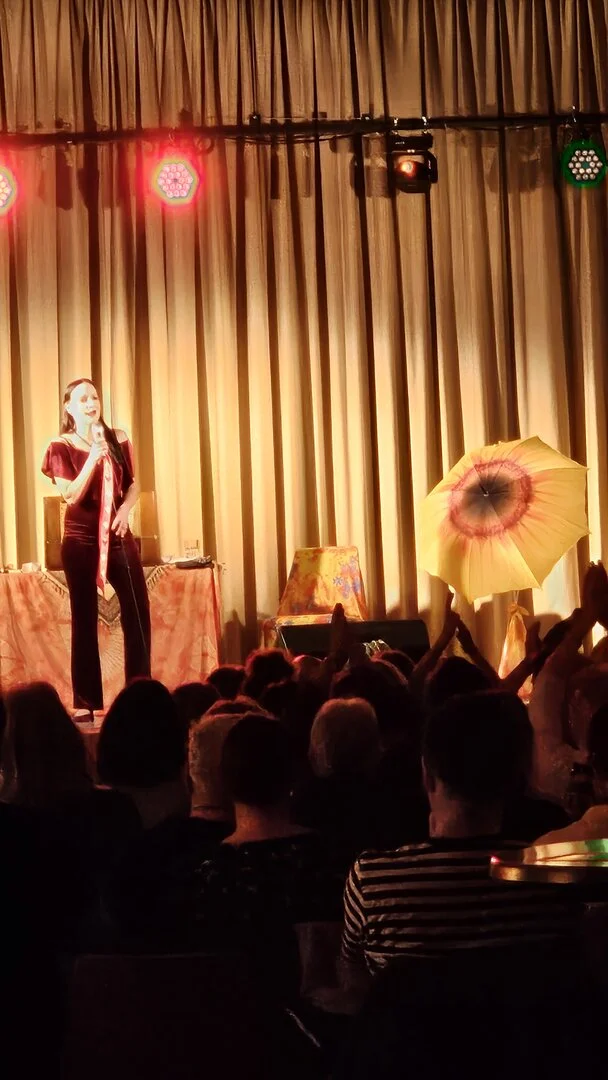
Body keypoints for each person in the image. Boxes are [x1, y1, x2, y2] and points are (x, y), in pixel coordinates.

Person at [340, 692, 578, 990]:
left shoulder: (373, 881)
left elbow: (354, 983)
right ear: (513, 777)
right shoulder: (553, 880)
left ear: (427, 775)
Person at [41, 378, 151, 717]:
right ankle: (87, 703)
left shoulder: (119, 438)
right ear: (69, 408)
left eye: (94, 397)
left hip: (118, 536)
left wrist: (125, 510)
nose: (91, 403)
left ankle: (140, 694)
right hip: (80, 539)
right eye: (83, 399)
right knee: (84, 618)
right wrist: (92, 458)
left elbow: (133, 486)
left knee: (138, 613)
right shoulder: (60, 446)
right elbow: (70, 494)